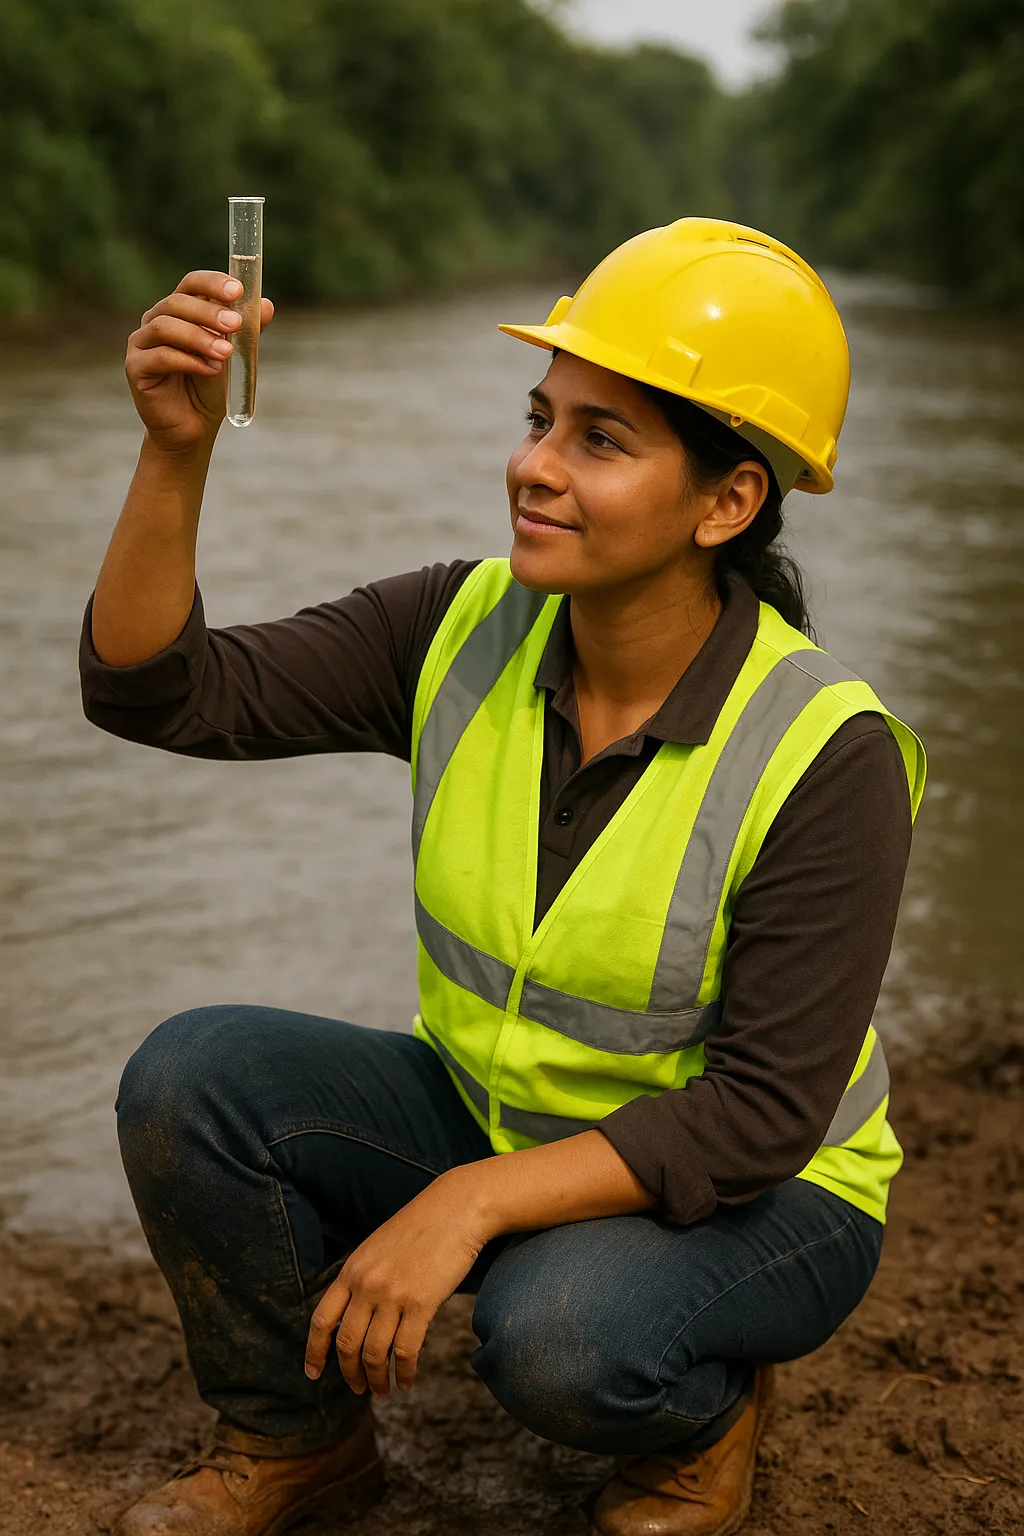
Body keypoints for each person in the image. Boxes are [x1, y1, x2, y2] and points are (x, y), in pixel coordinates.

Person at [80, 217, 925, 1536]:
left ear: (728, 501)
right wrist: (173, 451)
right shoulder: (458, 626)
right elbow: (160, 694)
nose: (532, 466)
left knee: (561, 1342)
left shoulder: (828, 751)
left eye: (601, 440)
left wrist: (468, 1204)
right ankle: (298, 1445)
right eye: (542, 418)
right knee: (195, 1081)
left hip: (770, 1198)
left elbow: (760, 1119)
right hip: (498, 1112)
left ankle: (709, 1416)